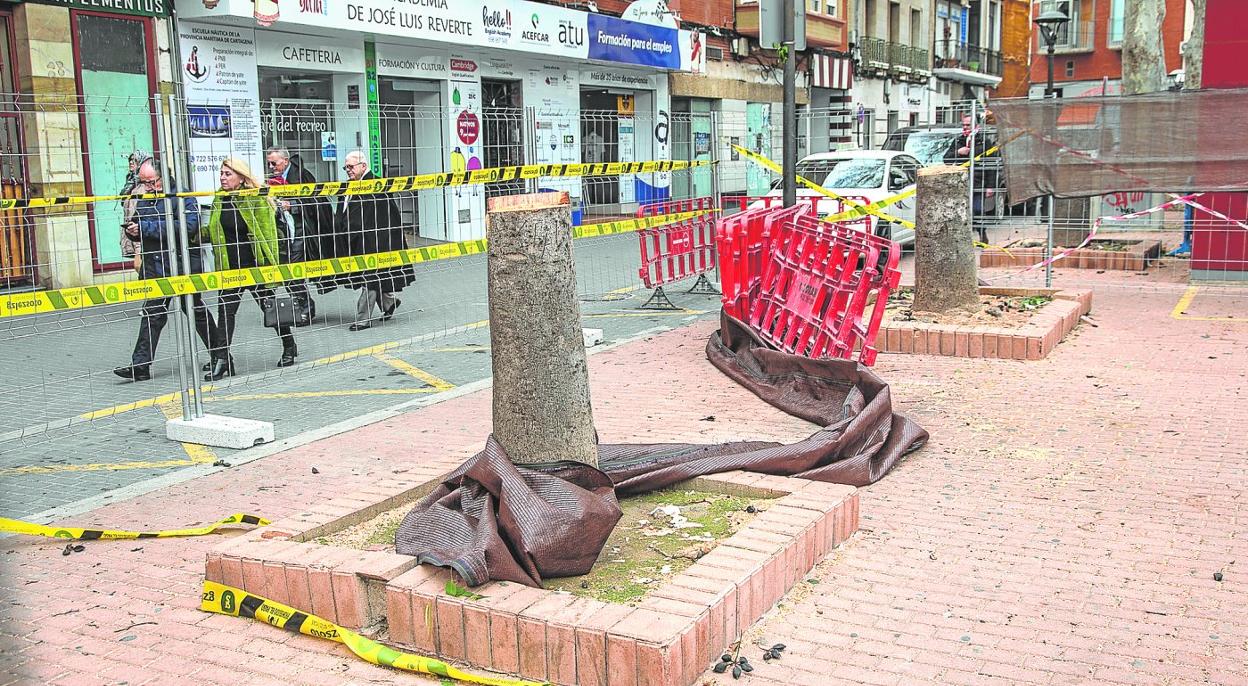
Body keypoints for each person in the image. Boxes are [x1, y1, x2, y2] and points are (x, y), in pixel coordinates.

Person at [113, 159, 218, 382]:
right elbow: (140, 225)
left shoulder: (182, 196)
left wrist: (145, 228)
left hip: (181, 266)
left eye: (152, 182)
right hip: (156, 266)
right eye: (144, 183)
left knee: (196, 311)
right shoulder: (145, 197)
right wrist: (133, 231)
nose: (148, 187)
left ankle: (221, 356)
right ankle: (140, 365)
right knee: (152, 314)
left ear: (164, 176)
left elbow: (188, 227)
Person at [202, 158, 297, 380]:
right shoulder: (220, 198)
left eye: (228, 174)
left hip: (255, 266)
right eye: (221, 173)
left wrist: (270, 267)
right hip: (230, 268)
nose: (222, 178)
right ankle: (222, 360)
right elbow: (215, 231)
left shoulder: (255, 197)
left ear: (241, 177)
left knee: (269, 309)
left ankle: (289, 345)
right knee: (225, 313)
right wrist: (194, 234)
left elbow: (269, 234)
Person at [336, 150, 413, 331]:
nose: (348, 170)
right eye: (345, 167)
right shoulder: (348, 186)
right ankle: (389, 303)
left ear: (363, 166)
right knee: (371, 278)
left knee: (369, 280)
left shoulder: (376, 185)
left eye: (351, 166)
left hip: (374, 242)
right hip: (356, 241)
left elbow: (385, 218)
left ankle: (363, 319)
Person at [267, 147, 337, 294]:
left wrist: (292, 205)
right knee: (287, 271)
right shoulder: (273, 179)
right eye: (268, 164)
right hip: (284, 230)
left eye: (274, 163)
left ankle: (304, 303)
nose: (271, 167)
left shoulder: (302, 176)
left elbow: (314, 202)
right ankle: (303, 302)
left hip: (302, 229)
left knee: (292, 270)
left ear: (285, 161)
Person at [119, 150, 151, 274]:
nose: (131, 163)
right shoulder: (131, 184)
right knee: (140, 269)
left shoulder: (144, 186)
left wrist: (138, 247)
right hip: (132, 232)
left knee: (140, 267)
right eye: (130, 160)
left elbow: (142, 213)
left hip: (141, 233)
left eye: (135, 160)